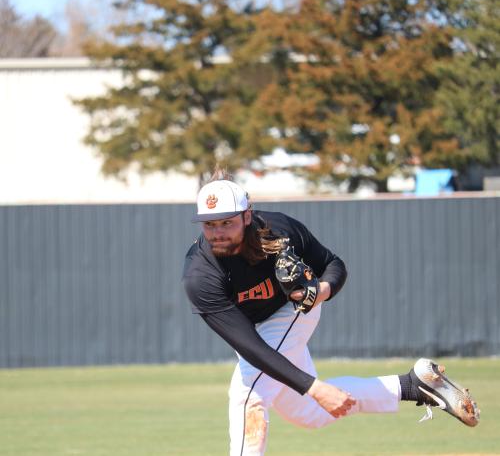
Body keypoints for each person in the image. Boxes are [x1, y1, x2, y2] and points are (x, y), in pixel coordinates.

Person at [183, 172, 479, 456]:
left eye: (226, 222)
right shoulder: (200, 276)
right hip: (254, 334)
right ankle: (412, 385)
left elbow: (332, 263)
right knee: (309, 413)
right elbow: (249, 345)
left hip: (293, 310)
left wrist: (322, 291)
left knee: (248, 396)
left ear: (247, 215)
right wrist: (312, 387)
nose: (218, 232)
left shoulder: (279, 231)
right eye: (209, 225)